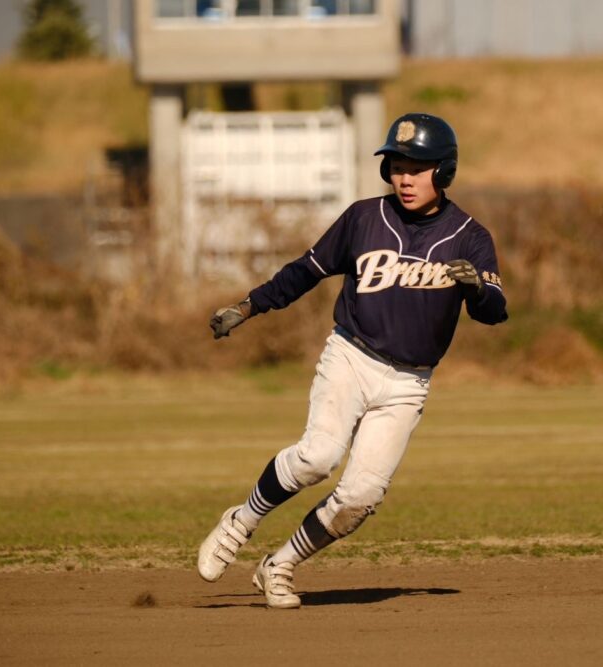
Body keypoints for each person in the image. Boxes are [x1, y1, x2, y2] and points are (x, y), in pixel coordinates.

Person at [197, 113, 508, 606]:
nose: (404, 177)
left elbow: (494, 312)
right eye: (396, 166)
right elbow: (306, 270)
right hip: (351, 356)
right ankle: (242, 520)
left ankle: (279, 566)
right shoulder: (365, 218)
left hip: (409, 382)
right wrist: (249, 305)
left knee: (360, 498)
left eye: (417, 167)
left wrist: (477, 287)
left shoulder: (470, 237)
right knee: (318, 457)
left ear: (444, 172)